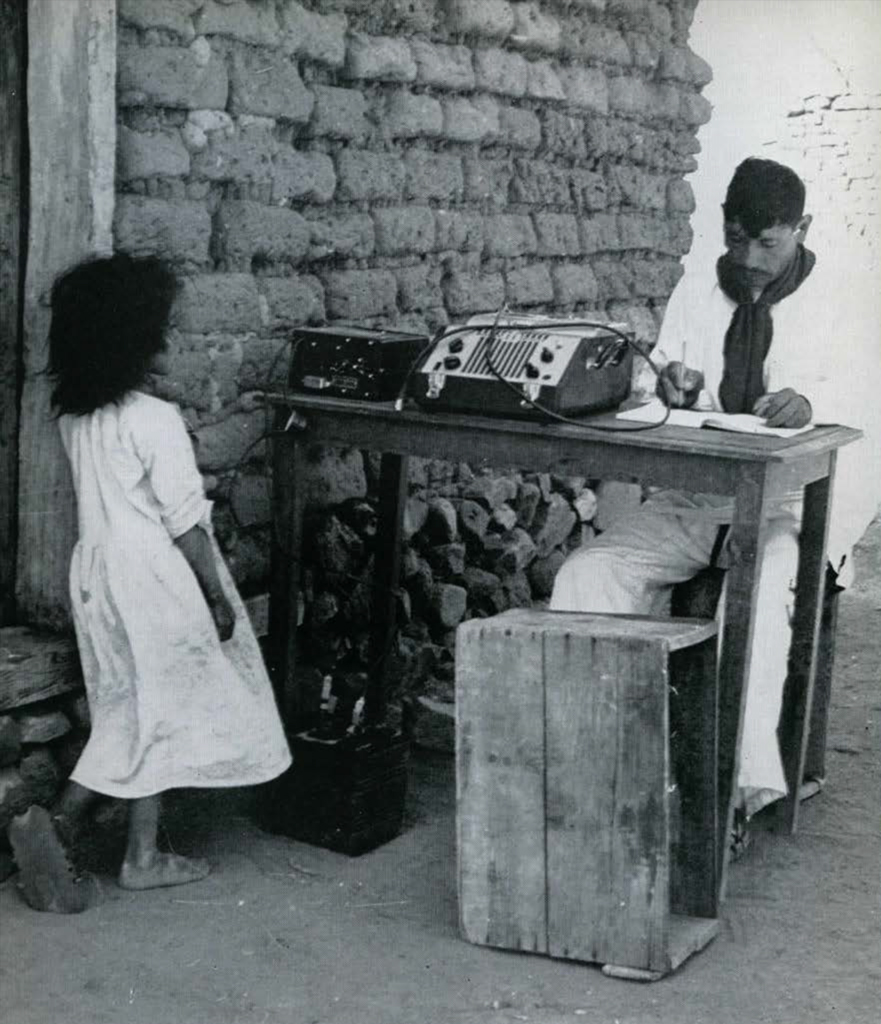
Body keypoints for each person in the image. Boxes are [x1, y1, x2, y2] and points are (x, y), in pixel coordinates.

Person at [551, 157, 881, 829]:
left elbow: (866, 402)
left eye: (768, 242)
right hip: (698, 498)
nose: (749, 258)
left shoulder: (843, 296)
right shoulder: (696, 291)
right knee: (588, 574)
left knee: (755, 602)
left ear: (801, 229)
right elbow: (663, 387)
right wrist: (669, 386)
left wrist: (814, 401)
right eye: (736, 239)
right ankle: (599, 760)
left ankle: (730, 790)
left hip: (793, 505)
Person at [8, 254, 292, 913]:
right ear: (135, 341)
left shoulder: (76, 419)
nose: (166, 339)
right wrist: (217, 597)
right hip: (156, 577)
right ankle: (126, 850)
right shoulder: (154, 420)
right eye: (159, 329)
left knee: (132, 707)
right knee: (159, 708)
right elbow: (186, 525)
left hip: (99, 575)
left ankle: (77, 830)